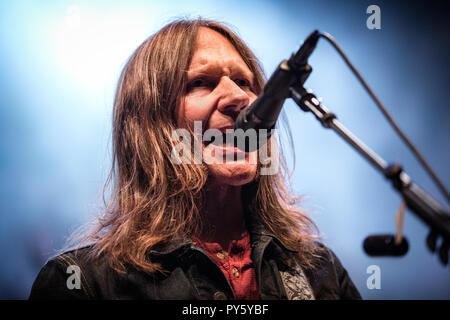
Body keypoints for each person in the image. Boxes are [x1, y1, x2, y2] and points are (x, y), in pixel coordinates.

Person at [29, 19, 361, 300]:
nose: (238, 98)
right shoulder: (84, 282)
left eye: (244, 82)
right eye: (201, 83)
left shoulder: (318, 269)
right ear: (150, 124)